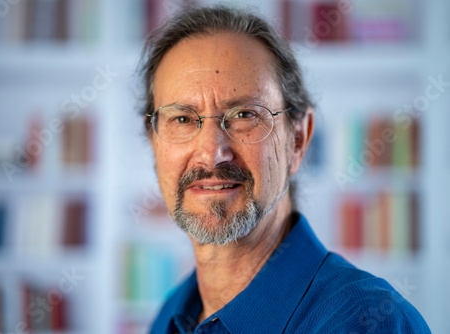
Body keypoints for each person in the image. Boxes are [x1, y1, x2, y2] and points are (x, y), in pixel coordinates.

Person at [139, 5, 430, 334]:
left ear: (298, 140)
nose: (211, 153)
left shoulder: (367, 322)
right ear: (153, 142)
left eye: (244, 115)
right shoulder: (172, 316)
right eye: (182, 119)